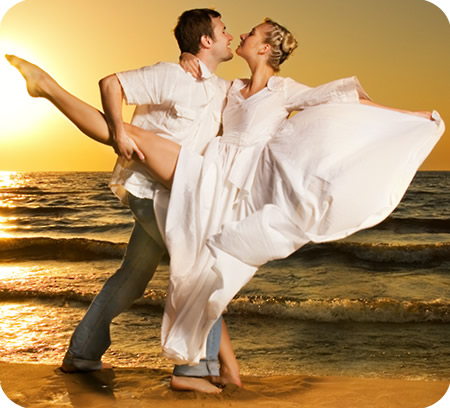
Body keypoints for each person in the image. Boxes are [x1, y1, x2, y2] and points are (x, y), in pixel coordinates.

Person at [7, 17, 444, 368]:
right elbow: (191, 82)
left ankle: (142, 361)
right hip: (200, 173)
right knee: (193, 263)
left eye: (251, 33)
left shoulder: (283, 89)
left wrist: (409, 114)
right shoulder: (226, 87)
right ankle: (200, 368)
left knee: (163, 274)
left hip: (228, 183)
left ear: (267, 47)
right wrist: (187, 62)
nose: (240, 34)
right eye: (229, 31)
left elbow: (344, 99)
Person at [6, 8, 241, 394]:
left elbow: (256, 94)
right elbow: (111, 83)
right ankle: (196, 369)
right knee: (202, 267)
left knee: (132, 277)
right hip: (150, 189)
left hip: (176, 192)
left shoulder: (218, 88)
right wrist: (118, 131)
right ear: (205, 41)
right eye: (224, 30)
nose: (229, 36)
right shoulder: (171, 74)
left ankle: (81, 354)